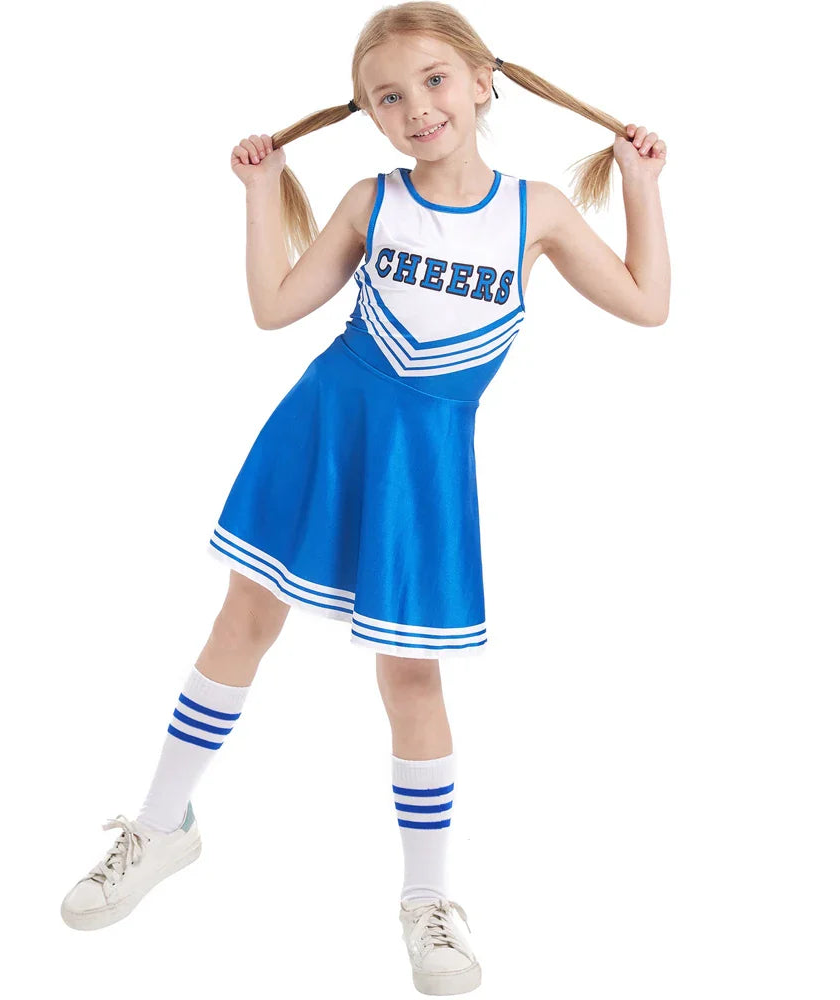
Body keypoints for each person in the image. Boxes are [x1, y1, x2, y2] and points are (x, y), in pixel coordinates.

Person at [59, 2, 669, 995]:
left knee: (413, 679)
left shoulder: (538, 212)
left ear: (482, 80)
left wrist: (641, 186)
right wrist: (262, 192)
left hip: (422, 468)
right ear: (369, 115)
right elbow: (274, 308)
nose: (415, 107)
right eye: (387, 96)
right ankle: (161, 825)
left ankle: (426, 900)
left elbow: (648, 302)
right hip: (323, 433)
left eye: (433, 80)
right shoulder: (369, 199)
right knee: (242, 623)